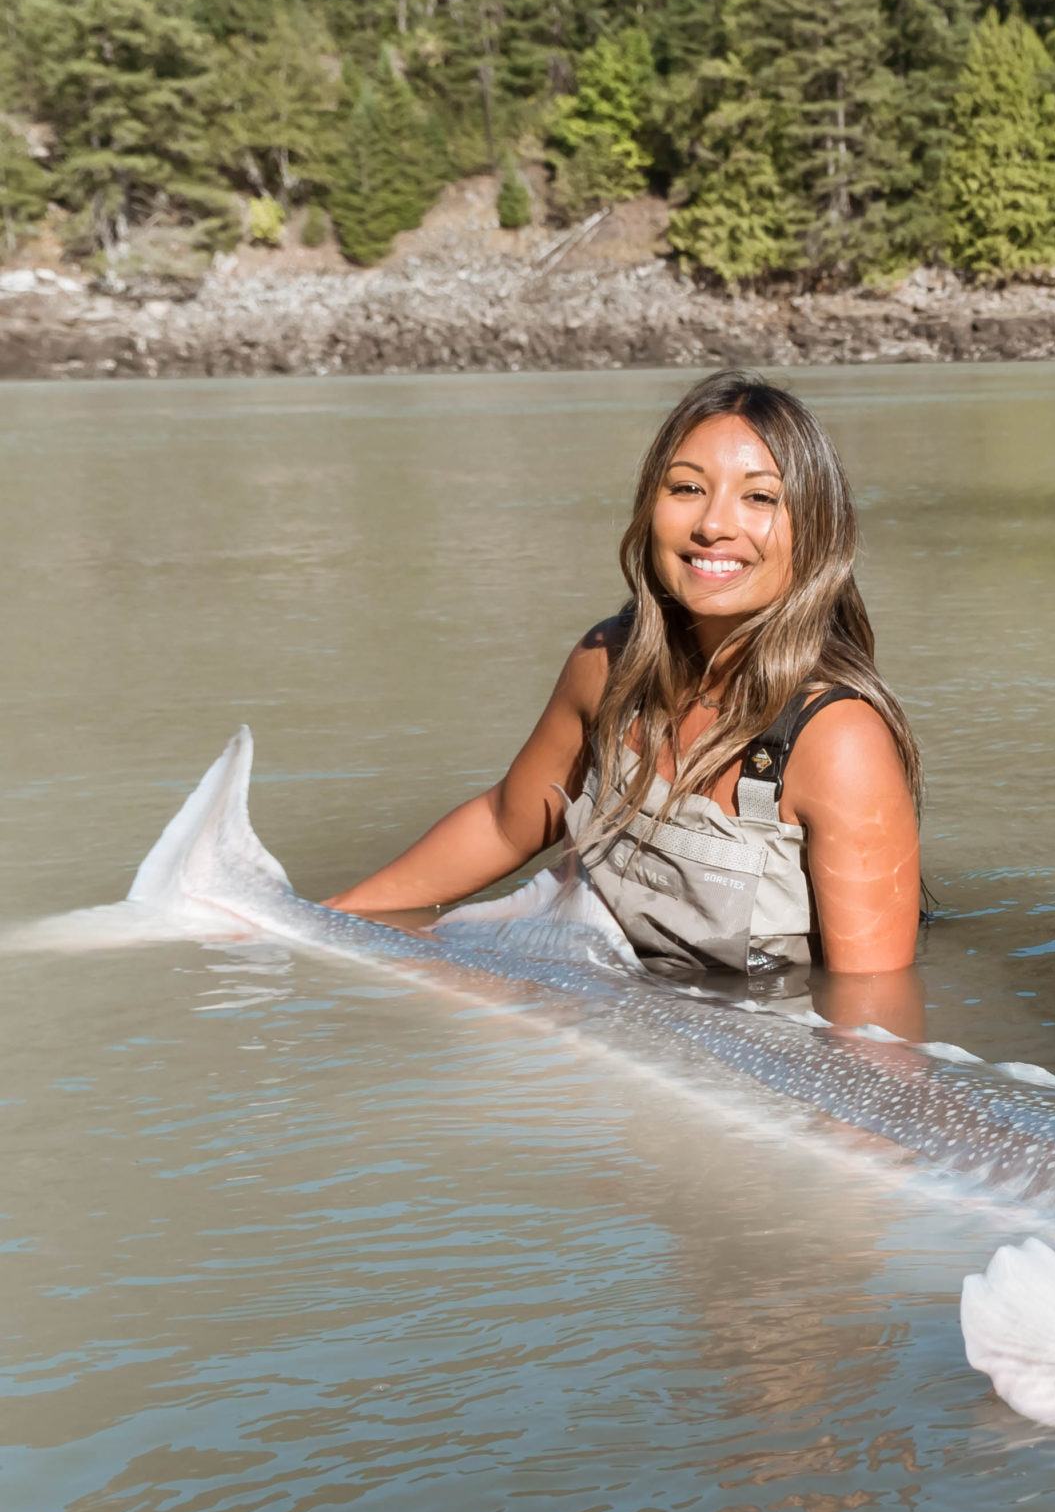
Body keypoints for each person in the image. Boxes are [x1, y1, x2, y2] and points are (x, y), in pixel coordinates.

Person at [329, 370, 925, 1033]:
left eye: (760, 497)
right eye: (687, 488)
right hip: (622, 1017)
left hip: (768, 1052)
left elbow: (874, 1013)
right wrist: (328, 920)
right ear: (650, 508)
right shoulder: (605, 663)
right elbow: (505, 822)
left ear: (814, 532)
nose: (714, 524)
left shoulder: (840, 741)